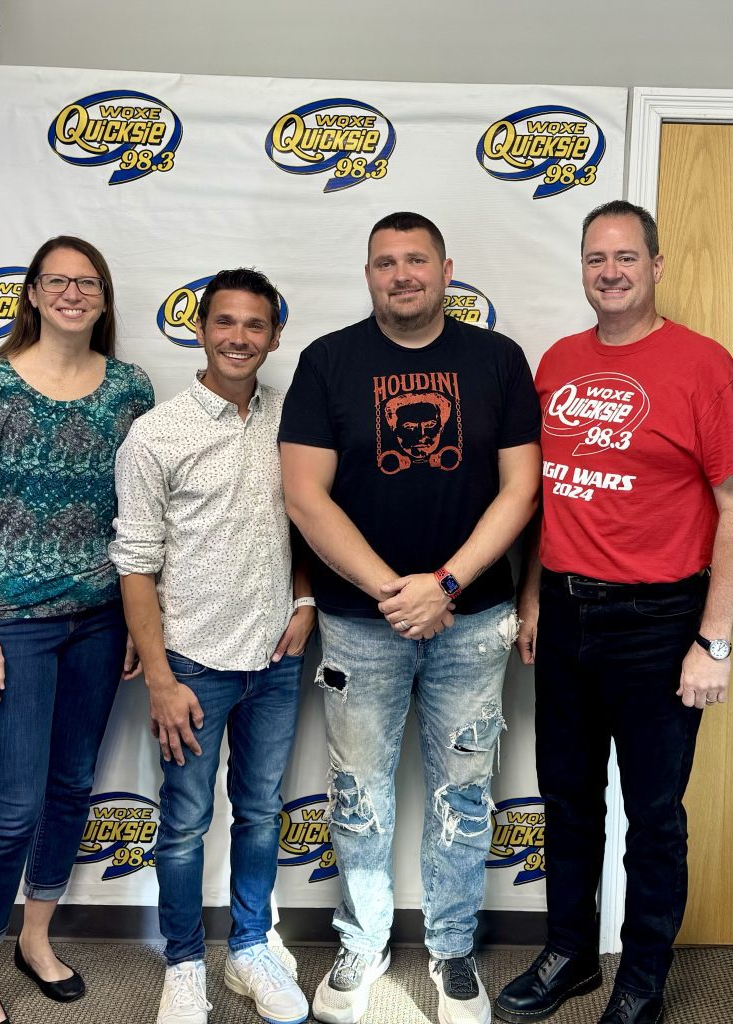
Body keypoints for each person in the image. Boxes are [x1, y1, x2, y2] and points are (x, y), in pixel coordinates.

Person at [279, 212, 541, 1024]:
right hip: (361, 624)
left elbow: (521, 489)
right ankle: (363, 943)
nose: (402, 275)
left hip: (474, 621)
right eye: (386, 262)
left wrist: (447, 584)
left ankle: (453, 949)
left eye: (416, 260)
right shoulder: (328, 362)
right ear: (368, 274)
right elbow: (304, 496)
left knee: (465, 793)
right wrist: (398, 591)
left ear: (446, 270)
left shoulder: (497, 360)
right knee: (357, 792)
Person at [495, 200, 733, 1024]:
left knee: (654, 816)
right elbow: (544, 496)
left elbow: (732, 506)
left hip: (660, 624)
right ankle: (569, 954)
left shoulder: (703, 365)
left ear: (655, 266)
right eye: (596, 258)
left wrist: (715, 641)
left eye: (627, 257)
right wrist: (532, 595)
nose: (610, 271)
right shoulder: (559, 361)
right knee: (566, 798)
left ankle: (641, 980)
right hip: (565, 614)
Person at [110, 268, 315, 1024]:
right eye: (224, 322)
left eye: (255, 324)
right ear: (200, 330)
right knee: (185, 823)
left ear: (275, 335)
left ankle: (250, 948)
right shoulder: (155, 435)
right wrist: (160, 679)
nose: (239, 337)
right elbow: (135, 563)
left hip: (275, 661)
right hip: (192, 665)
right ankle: (185, 963)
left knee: (260, 813)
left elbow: (308, 520)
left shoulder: (292, 421)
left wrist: (304, 599)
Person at [0, 236, 154, 1024]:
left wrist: (143, 620)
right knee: (14, 806)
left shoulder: (130, 388)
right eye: (57, 281)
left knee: (72, 788)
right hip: (12, 617)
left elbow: (143, 513)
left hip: (102, 617)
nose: (73, 293)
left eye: (88, 282)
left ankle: (35, 939)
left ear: (104, 298)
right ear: (35, 295)